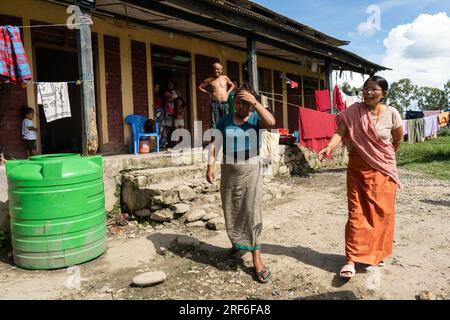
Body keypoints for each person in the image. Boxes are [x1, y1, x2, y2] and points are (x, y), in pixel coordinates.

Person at [318, 75, 404, 278]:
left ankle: (377, 254)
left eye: (374, 89)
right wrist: (328, 147)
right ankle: (351, 259)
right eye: (366, 88)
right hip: (357, 169)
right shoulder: (353, 112)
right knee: (356, 213)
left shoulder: (392, 113)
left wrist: (383, 158)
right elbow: (340, 132)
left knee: (382, 214)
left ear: (384, 93)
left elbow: (398, 139)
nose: (368, 92)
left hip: (382, 172)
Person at [206, 82, 276, 283]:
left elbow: (271, 122)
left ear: (252, 104)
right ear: (233, 102)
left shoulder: (256, 119)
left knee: (252, 212)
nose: (242, 107)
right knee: (232, 210)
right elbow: (215, 144)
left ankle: (256, 258)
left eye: (246, 103)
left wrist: (255, 102)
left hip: (250, 172)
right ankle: (238, 244)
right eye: (238, 103)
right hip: (229, 171)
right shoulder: (225, 120)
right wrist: (210, 166)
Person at [198, 62, 235, 128]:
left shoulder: (225, 78)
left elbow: (233, 85)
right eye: (214, 69)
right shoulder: (209, 80)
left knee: (226, 122)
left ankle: (225, 137)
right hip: (215, 104)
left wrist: (228, 93)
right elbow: (200, 87)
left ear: (221, 70)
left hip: (225, 104)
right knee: (214, 124)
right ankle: (216, 137)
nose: (216, 71)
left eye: (218, 69)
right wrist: (208, 93)